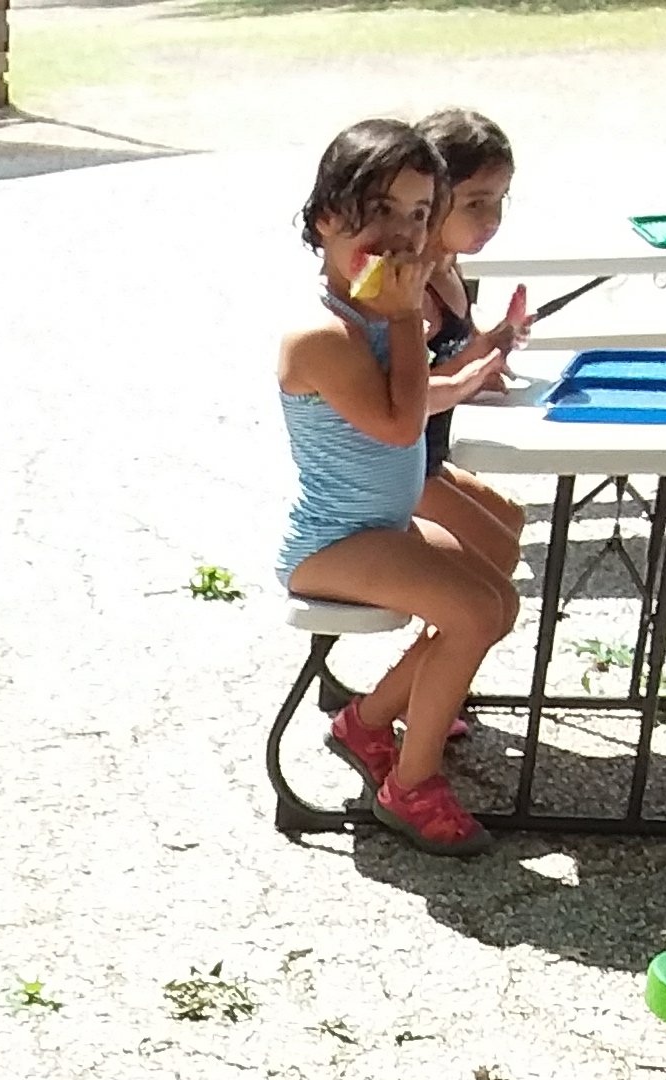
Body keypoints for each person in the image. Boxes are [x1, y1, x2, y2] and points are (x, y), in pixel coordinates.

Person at [277, 117, 521, 855]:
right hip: (334, 543)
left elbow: (415, 397)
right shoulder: (322, 334)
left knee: (497, 601)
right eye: (379, 210)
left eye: (418, 215)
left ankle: (368, 721)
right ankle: (411, 788)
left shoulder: (376, 312)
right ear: (326, 218)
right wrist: (409, 317)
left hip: (381, 529)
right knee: (473, 614)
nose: (401, 234)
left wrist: (463, 363)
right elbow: (398, 423)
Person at [418, 104, 531, 577]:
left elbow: (453, 354)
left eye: (501, 200)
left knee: (511, 520)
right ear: (429, 199)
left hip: (430, 457)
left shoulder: (448, 266)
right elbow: (406, 391)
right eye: (475, 203)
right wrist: (478, 361)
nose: (492, 219)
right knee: (495, 553)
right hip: (396, 470)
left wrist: (495, 342)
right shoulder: (415, 284)